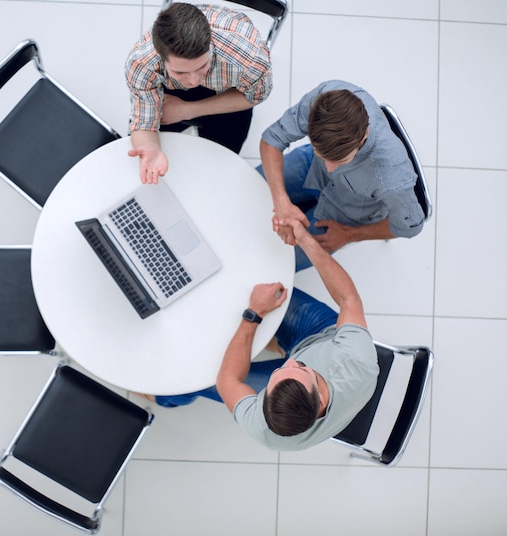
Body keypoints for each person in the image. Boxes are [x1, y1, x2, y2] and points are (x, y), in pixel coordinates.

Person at [144, 216, 378, 451]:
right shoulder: (356, 358)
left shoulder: (264, 426)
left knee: (198, 379)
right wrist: (305, 239)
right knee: (259, 287)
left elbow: (228, 381)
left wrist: (254, 314)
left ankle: (165, 397)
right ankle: (277, 342)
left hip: (322, 352)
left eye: (282, 369)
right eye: (298, 368)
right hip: (322, 335)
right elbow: (348, 299)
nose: (294, 362)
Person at [258, 80, 426, 271]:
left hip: (346, 213)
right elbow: (272, 139)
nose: (330, 169)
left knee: (277, 264)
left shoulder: (393, 178)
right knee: (248, 185)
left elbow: (410, 227)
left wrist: (350, 234)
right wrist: (281, 201)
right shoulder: (324, 101)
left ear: (364, 135)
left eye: (340, 160)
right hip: (311, 167)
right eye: (323, 155)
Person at [125, 2, 272, 184]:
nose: (193, 81)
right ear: (160, 57)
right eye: (180, 72)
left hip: (227, 95)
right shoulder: (141, 63)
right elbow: (144, 125)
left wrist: (188, 110)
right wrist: (149, 147)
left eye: (202, 66)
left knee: (220, 163)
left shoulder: (249, 59)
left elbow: (254, 96)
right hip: (168, 93)